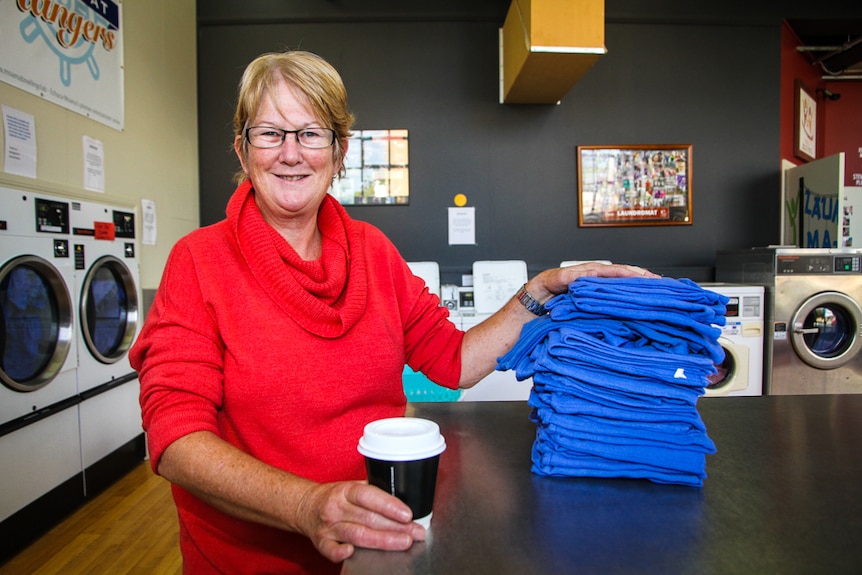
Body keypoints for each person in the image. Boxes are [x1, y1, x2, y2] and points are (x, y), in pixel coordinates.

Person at [130, 50, 657, 574]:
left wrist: (541, 289)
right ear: (243, 152)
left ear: (338, 155)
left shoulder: (373, 251)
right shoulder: (199, 261)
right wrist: (306, 506)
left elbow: (454, 360)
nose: (291, 153)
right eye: (270, 133)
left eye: (311, 133)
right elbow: (175, 438)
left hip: (378, 545)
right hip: (247, 562)